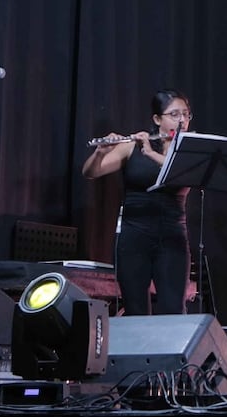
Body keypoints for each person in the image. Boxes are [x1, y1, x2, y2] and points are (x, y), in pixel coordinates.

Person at [82, 88, 193, 316]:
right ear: (157, 119)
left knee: (173, 311)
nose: (182, 120)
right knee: (135, 310)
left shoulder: (188, 149)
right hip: (134, 238)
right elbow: (90, 172)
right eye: (174, 114)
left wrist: (151, 152)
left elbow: (180, 174)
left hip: (172, 240)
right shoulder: (131, 146)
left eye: (186, 114)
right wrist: (101, 153)